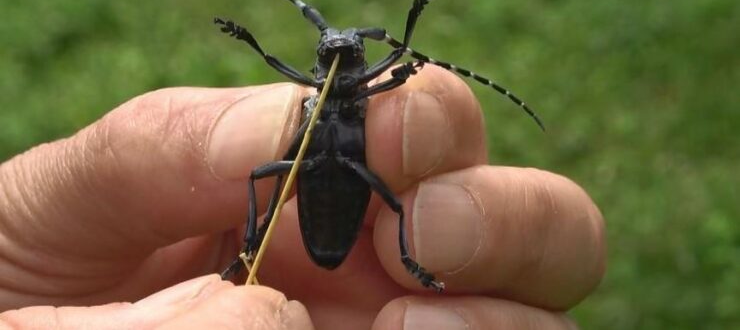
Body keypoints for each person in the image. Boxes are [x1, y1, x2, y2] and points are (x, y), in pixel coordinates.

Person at [0, 67, 605, 329]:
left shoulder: (371, 97)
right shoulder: (313, 105)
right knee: (265, 172)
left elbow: (398, 74)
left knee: (396, 205)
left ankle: (412, 258)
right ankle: (251, 247)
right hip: (320, 198)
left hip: (337, 207)